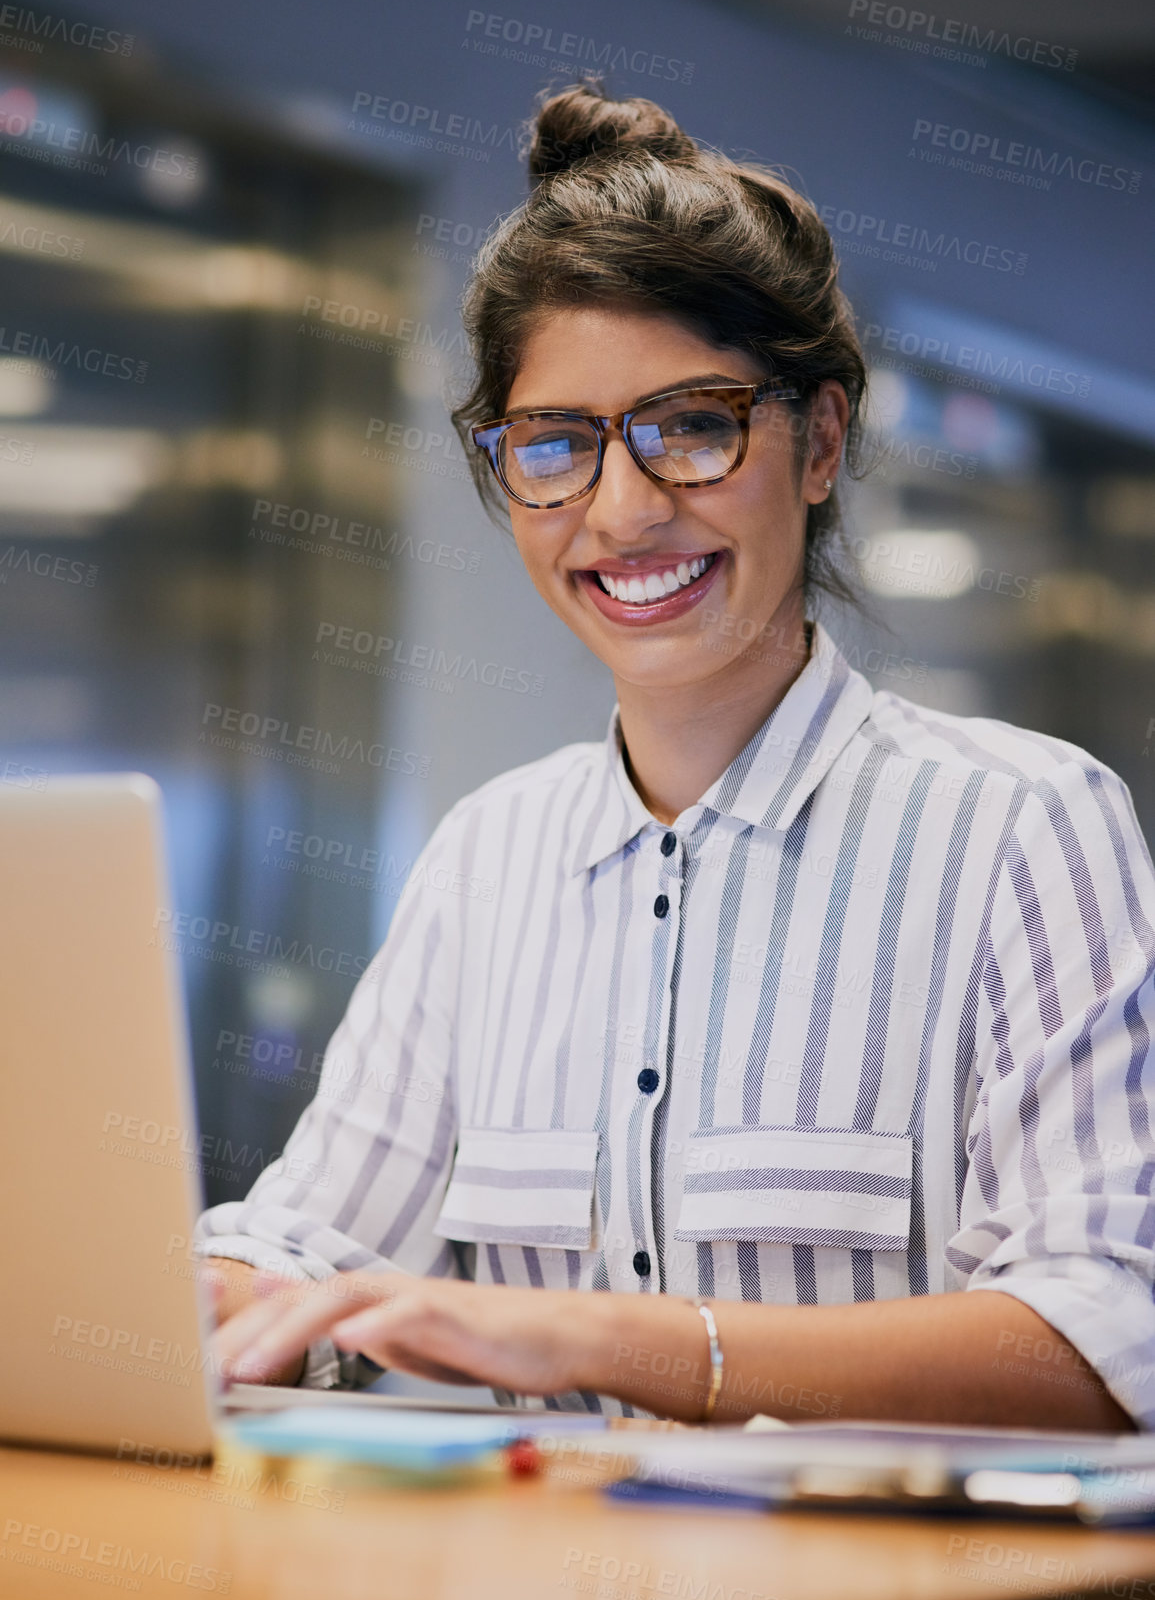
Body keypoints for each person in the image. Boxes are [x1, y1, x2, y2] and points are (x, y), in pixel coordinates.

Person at [200, 84, 1155, 1430]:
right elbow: (314, 1242)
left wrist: (604, 1338)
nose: (625, 512)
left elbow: (1111, 1335)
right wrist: (190, 1294)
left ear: (819, 443)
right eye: (556, 445)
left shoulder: (1025, 829)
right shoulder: (489, 858)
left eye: (695, 426)